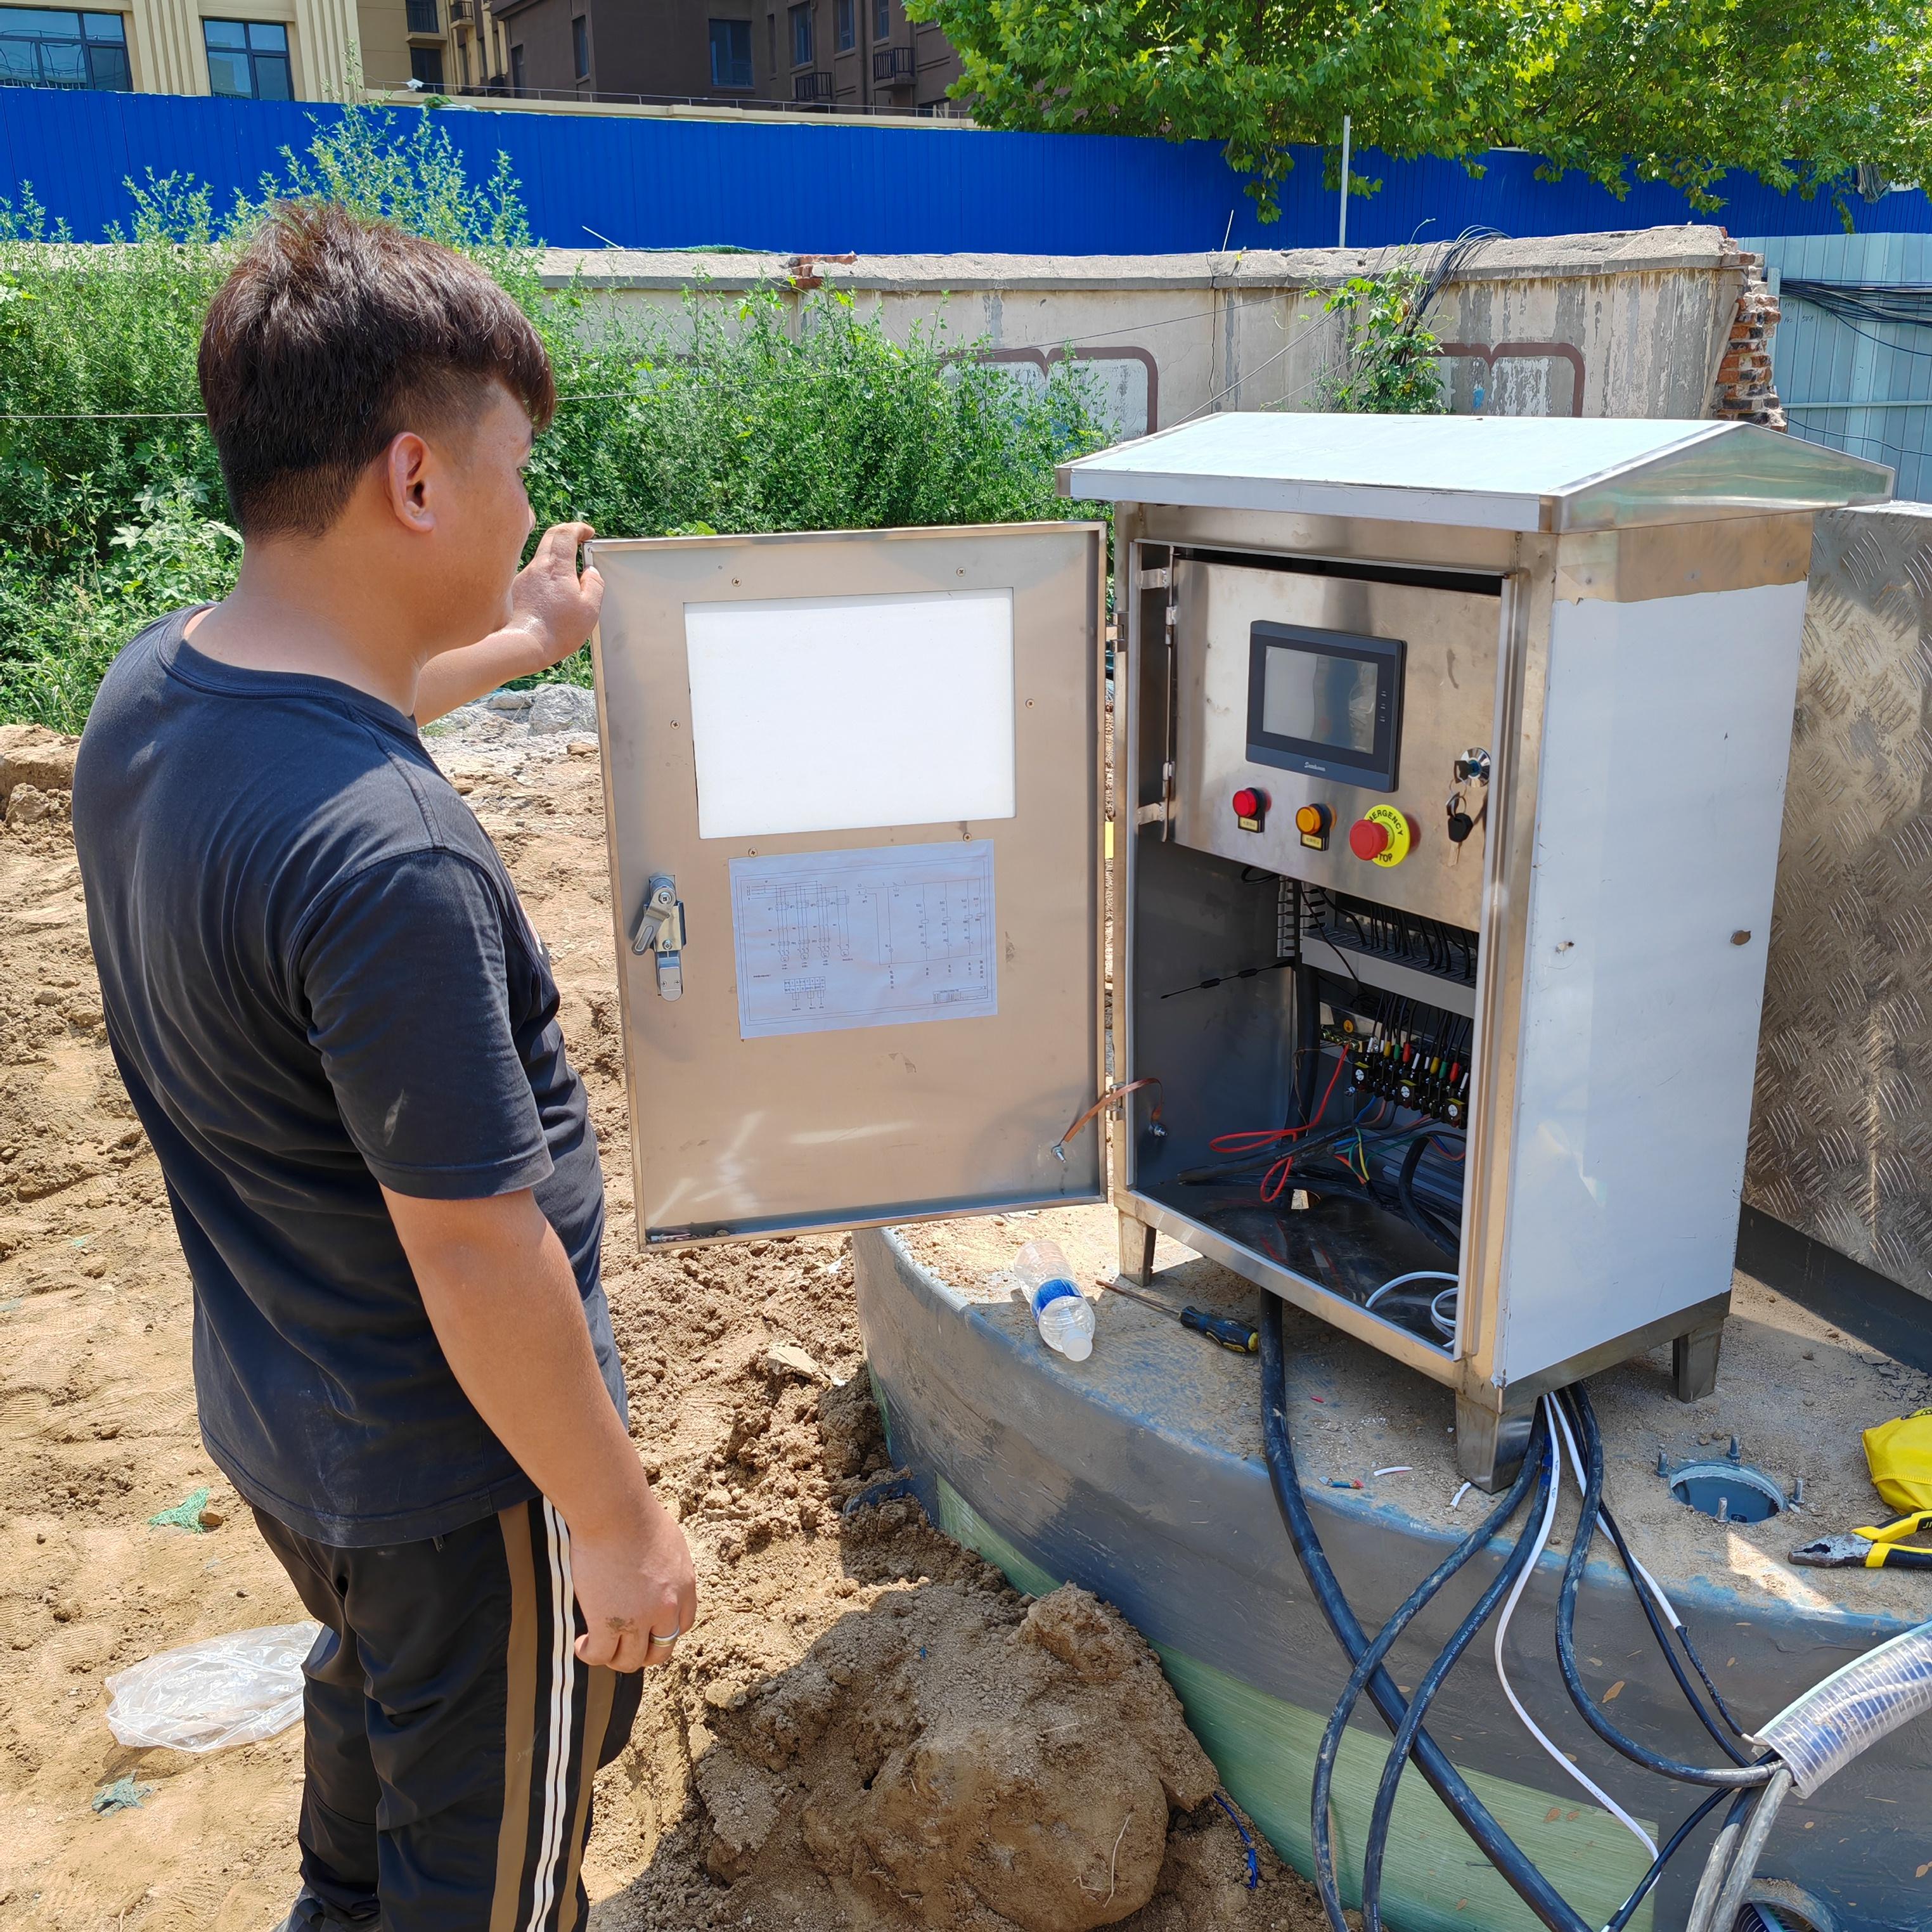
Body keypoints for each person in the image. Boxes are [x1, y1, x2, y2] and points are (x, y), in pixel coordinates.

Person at [72, 203, 695, 1932]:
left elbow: (338, 716)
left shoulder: (157, 697)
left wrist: (522, 640)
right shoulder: (395, 865)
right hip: (466, 1477)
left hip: (293, 1421)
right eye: (514, 470)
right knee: (489, 1856)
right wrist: (614, 1518)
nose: (522, 503)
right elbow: (478, 1248)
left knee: (375, 1722)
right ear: (417, 479)